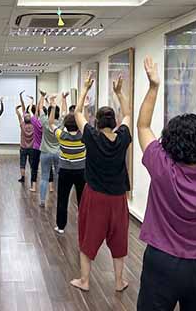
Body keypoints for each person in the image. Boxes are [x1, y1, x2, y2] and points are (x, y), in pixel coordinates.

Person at [136, 58, 196, 311]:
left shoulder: (162, 168)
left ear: (168, 144)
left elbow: (142, 126)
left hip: (163, 262)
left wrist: (153, 87)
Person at [70, 72, 131, 293]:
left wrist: (85, 88)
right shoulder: (123, 137)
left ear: (96, 121)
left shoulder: (91, 137)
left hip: (95, 197)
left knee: (88, 237)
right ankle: (118, 281)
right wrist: (119, 93)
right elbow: (128, 113)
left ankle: (84, 281)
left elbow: (77, 112)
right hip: (117, 199)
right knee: (119, 239)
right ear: (113, 122)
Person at [48, 104, 85, 234]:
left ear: (66, 124)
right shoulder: (84, 136)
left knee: (62, 199)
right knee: (83, 200)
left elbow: (51, 122)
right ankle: (84, 226)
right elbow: (84, 123)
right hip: (81, 172)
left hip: (65, 171)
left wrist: (52, 107)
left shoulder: (61, 135)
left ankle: (61, 226)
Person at [38, 91, 67, 207]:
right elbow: (65, 112)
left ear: (48, 113)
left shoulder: (45, 122)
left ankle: (42, 201)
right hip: (58, 153)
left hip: (45, 153)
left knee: (44, 177)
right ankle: (60, 199)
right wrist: (64, 98)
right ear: (57, 113)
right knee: (58, 176)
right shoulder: (60, 123)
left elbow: (40, 108)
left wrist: (42, 96)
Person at [16, 91, 34, 184]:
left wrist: (16, 109)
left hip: (23, 148)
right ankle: (32, 177)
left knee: (22, 163)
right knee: (32, 163)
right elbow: (28, 110)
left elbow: (19, 115)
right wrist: (32, 100)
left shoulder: (22, 125)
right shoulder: (34, 125)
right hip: (31, 148)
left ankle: (22, 178)